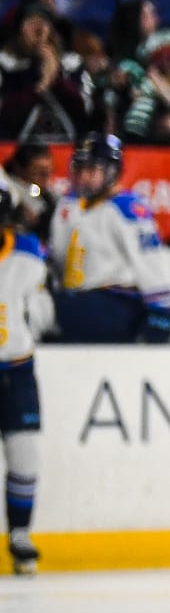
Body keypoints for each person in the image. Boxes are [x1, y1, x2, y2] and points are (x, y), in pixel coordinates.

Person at [50, 134, 170, 343]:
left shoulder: (127, 208)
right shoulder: (68, 206)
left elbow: (151, 260)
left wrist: (161, 310)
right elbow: (57, 258)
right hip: (76, 300)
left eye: (91, 170)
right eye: (79, 169)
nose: (83, 177)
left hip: (116, 304)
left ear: (112, 171)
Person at [0, 182, 51, 574]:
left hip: (17, 369)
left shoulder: (28, 253)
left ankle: (20, 534)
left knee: (25, 454)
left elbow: (40, 308)